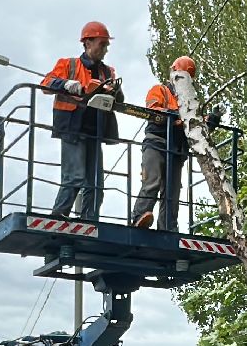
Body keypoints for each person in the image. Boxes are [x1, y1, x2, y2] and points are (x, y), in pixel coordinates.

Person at [40, 21, 122, 221]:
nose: (105, 49)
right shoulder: (68, 65)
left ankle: (89, 221)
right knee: (74, 177)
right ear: (87, 43)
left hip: (95, 131)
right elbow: (45, 84)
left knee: (96, 184)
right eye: (102, 44)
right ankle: (58, 216)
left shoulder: (108, 72)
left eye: (106, 45)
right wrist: (67, 84)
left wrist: (114, 92)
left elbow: (120, 101)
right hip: (73, 129)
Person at [131, 56, 197, 230]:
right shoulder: (159, 90)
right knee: (152, 180)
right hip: (156, 142)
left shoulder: (190, 101)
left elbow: (197, 126)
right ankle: (139, 217)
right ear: (173, 74)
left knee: (172, 192)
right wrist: (175, 115)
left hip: (176, 150)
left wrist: (210, 120)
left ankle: (168, 227)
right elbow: (153, 110)